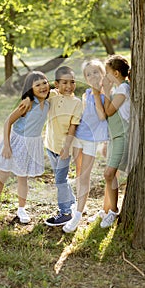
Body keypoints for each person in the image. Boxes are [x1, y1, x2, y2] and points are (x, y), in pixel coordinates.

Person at [0, 71, 50, 230]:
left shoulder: (49, 102)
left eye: (44, 82)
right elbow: (8, 122)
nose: (42, 87)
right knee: (2, 176)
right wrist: (7, 146)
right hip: (16, 142)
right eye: (37, 85)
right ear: (31, 88)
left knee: (23, 177)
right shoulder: (27, 104)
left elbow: (59, 92)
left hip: (32, 143)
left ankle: (21, 209)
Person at [63, 59, 109, 233]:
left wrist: (98, 93)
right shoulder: (86, 93)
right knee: (78, 173)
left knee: (85, 177)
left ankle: (78, 215)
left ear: (103, 73)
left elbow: (102, 116)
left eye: (96, 72)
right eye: (88, 74)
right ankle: (77, 207)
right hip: (78, 137)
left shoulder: (105, 94)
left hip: (91, 140)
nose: (92, 76)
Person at [44, 66, 83, 226]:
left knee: (60, 180)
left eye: (72, 82)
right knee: (61, 178)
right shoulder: (52, 96)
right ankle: (72, 202)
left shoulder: (76, 103)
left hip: (64, 149)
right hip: (50, 145)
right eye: (65, 82)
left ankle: (65, 212)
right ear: (56, 84)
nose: (69, 86)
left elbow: (73, 127)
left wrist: (66, 149)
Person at [99, 54, 130, 228]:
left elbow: (108, 112)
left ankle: (113, 211)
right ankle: (107, 209)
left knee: (109, 174)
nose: (105, 77)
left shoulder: (124, 89)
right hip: (115, 136)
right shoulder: (119, 89)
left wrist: (104, 90)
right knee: (111, 174)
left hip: (123, 136)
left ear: (116, 73)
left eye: (107, 73)